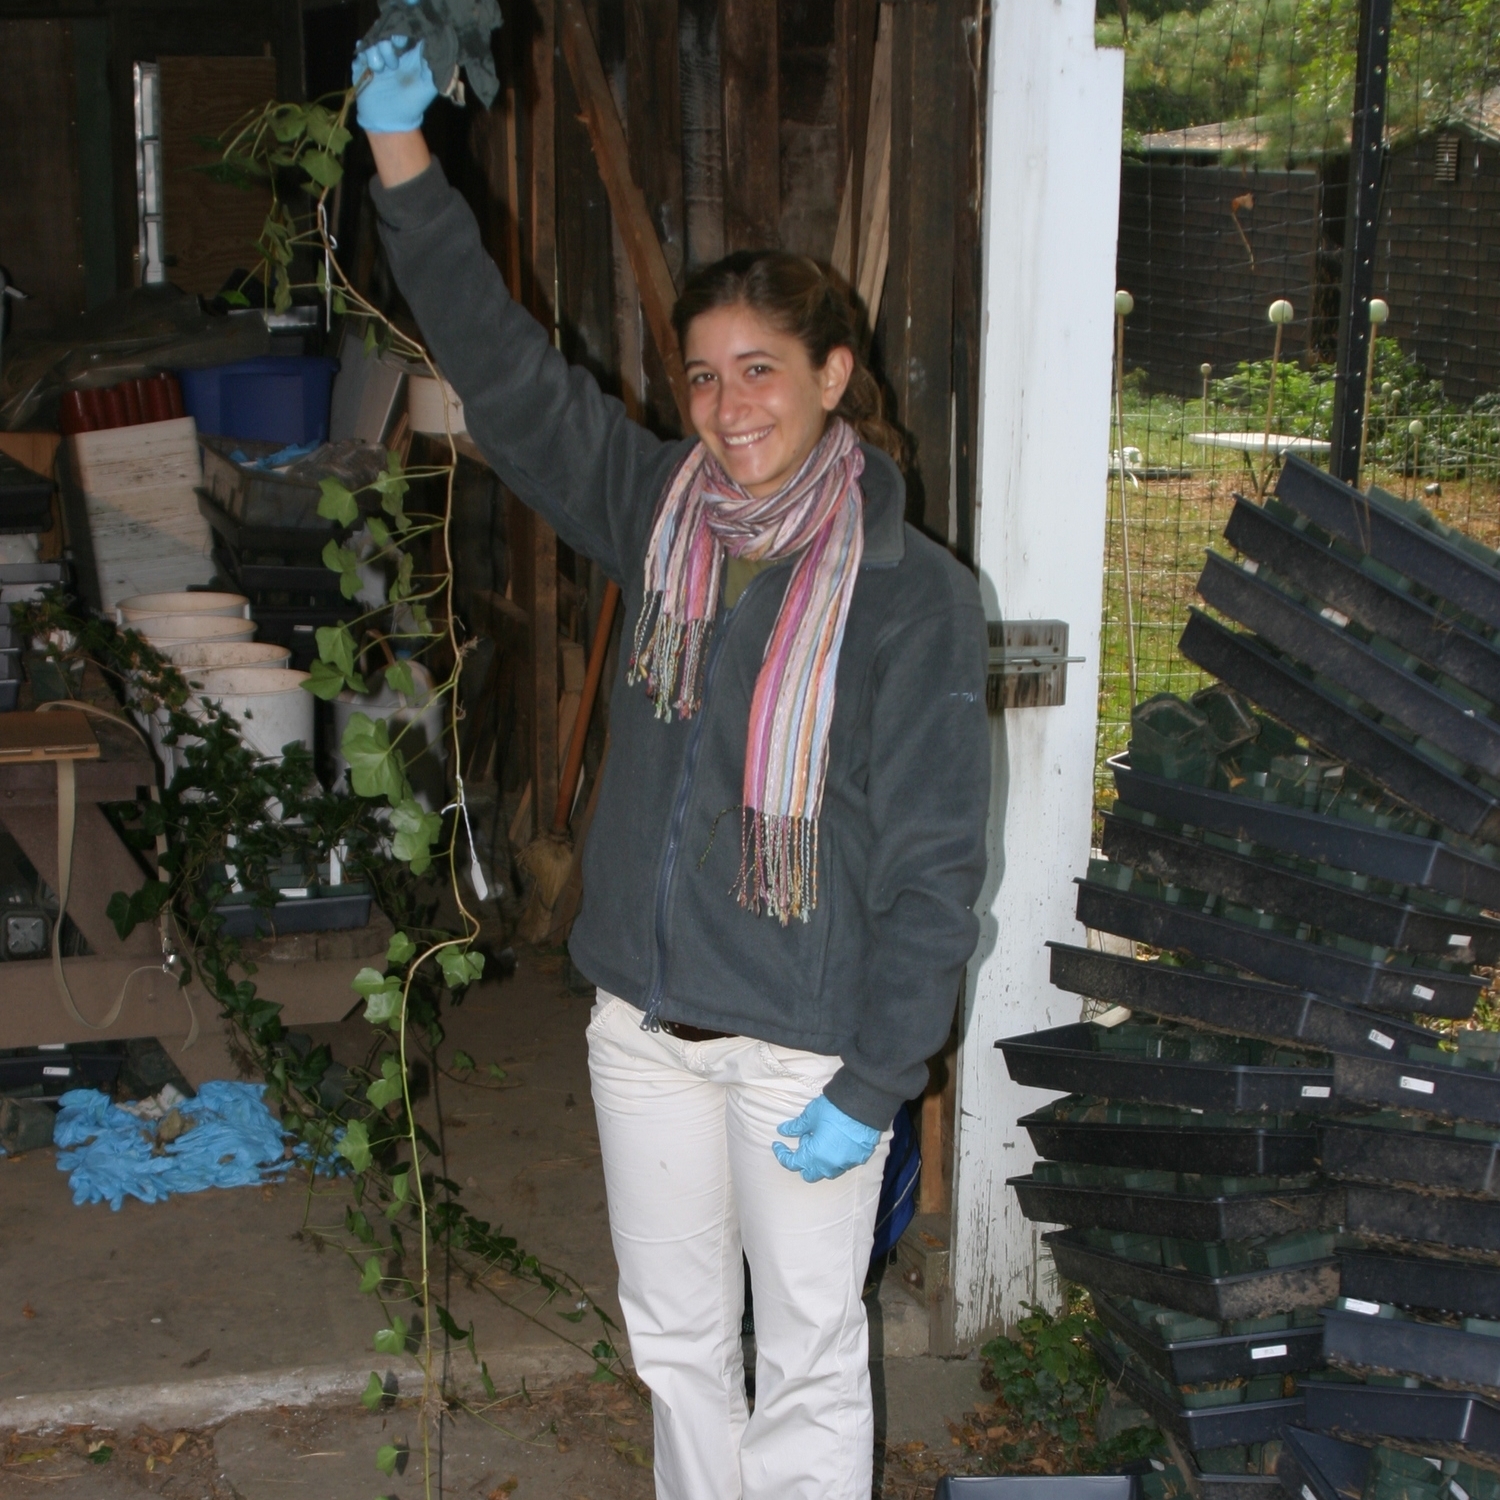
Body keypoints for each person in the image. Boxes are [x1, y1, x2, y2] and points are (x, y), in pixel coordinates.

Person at [354, 35, 991, 1500]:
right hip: (644, 1033)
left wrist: (881, 1076)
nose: (727, 404)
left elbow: (936, 867)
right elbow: (511, 380)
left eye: (761, 368)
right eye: (701, 376)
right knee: (680, 1347)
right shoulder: (657, 513)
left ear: (836, 374)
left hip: (804, 1053)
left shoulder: (911, 594)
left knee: (815, 1352)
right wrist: (404, 160)